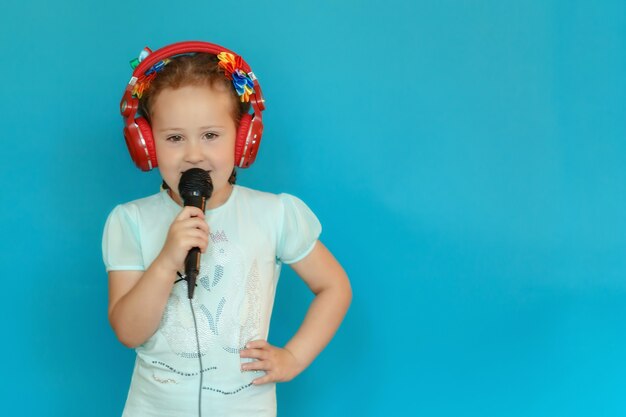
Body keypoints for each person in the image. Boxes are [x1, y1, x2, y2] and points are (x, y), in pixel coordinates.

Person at [102, 41, 352, 417]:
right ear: (146, 146)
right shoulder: (130, 221)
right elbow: (129, 331)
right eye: (174, 138)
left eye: (210, 135)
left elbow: (334, 286)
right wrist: (168, 258)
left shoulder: (274, 213)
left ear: (244, 140)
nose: (193, 154)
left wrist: (294, 358)